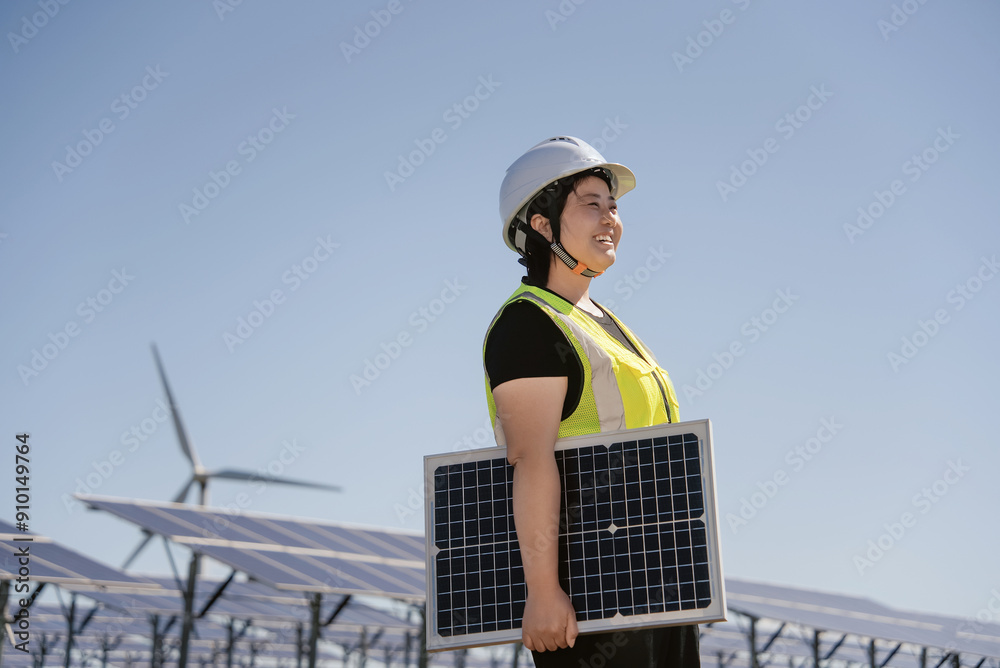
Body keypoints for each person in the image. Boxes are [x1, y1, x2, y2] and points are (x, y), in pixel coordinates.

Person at [483, 136, 700, 667]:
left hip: (662, 580)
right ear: (541, 225)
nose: (610, 220)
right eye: (591, 205)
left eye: (614, 206)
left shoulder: (608, 324)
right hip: (592, 591)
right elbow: (530, 460)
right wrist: (542, 591)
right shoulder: (529, 323)